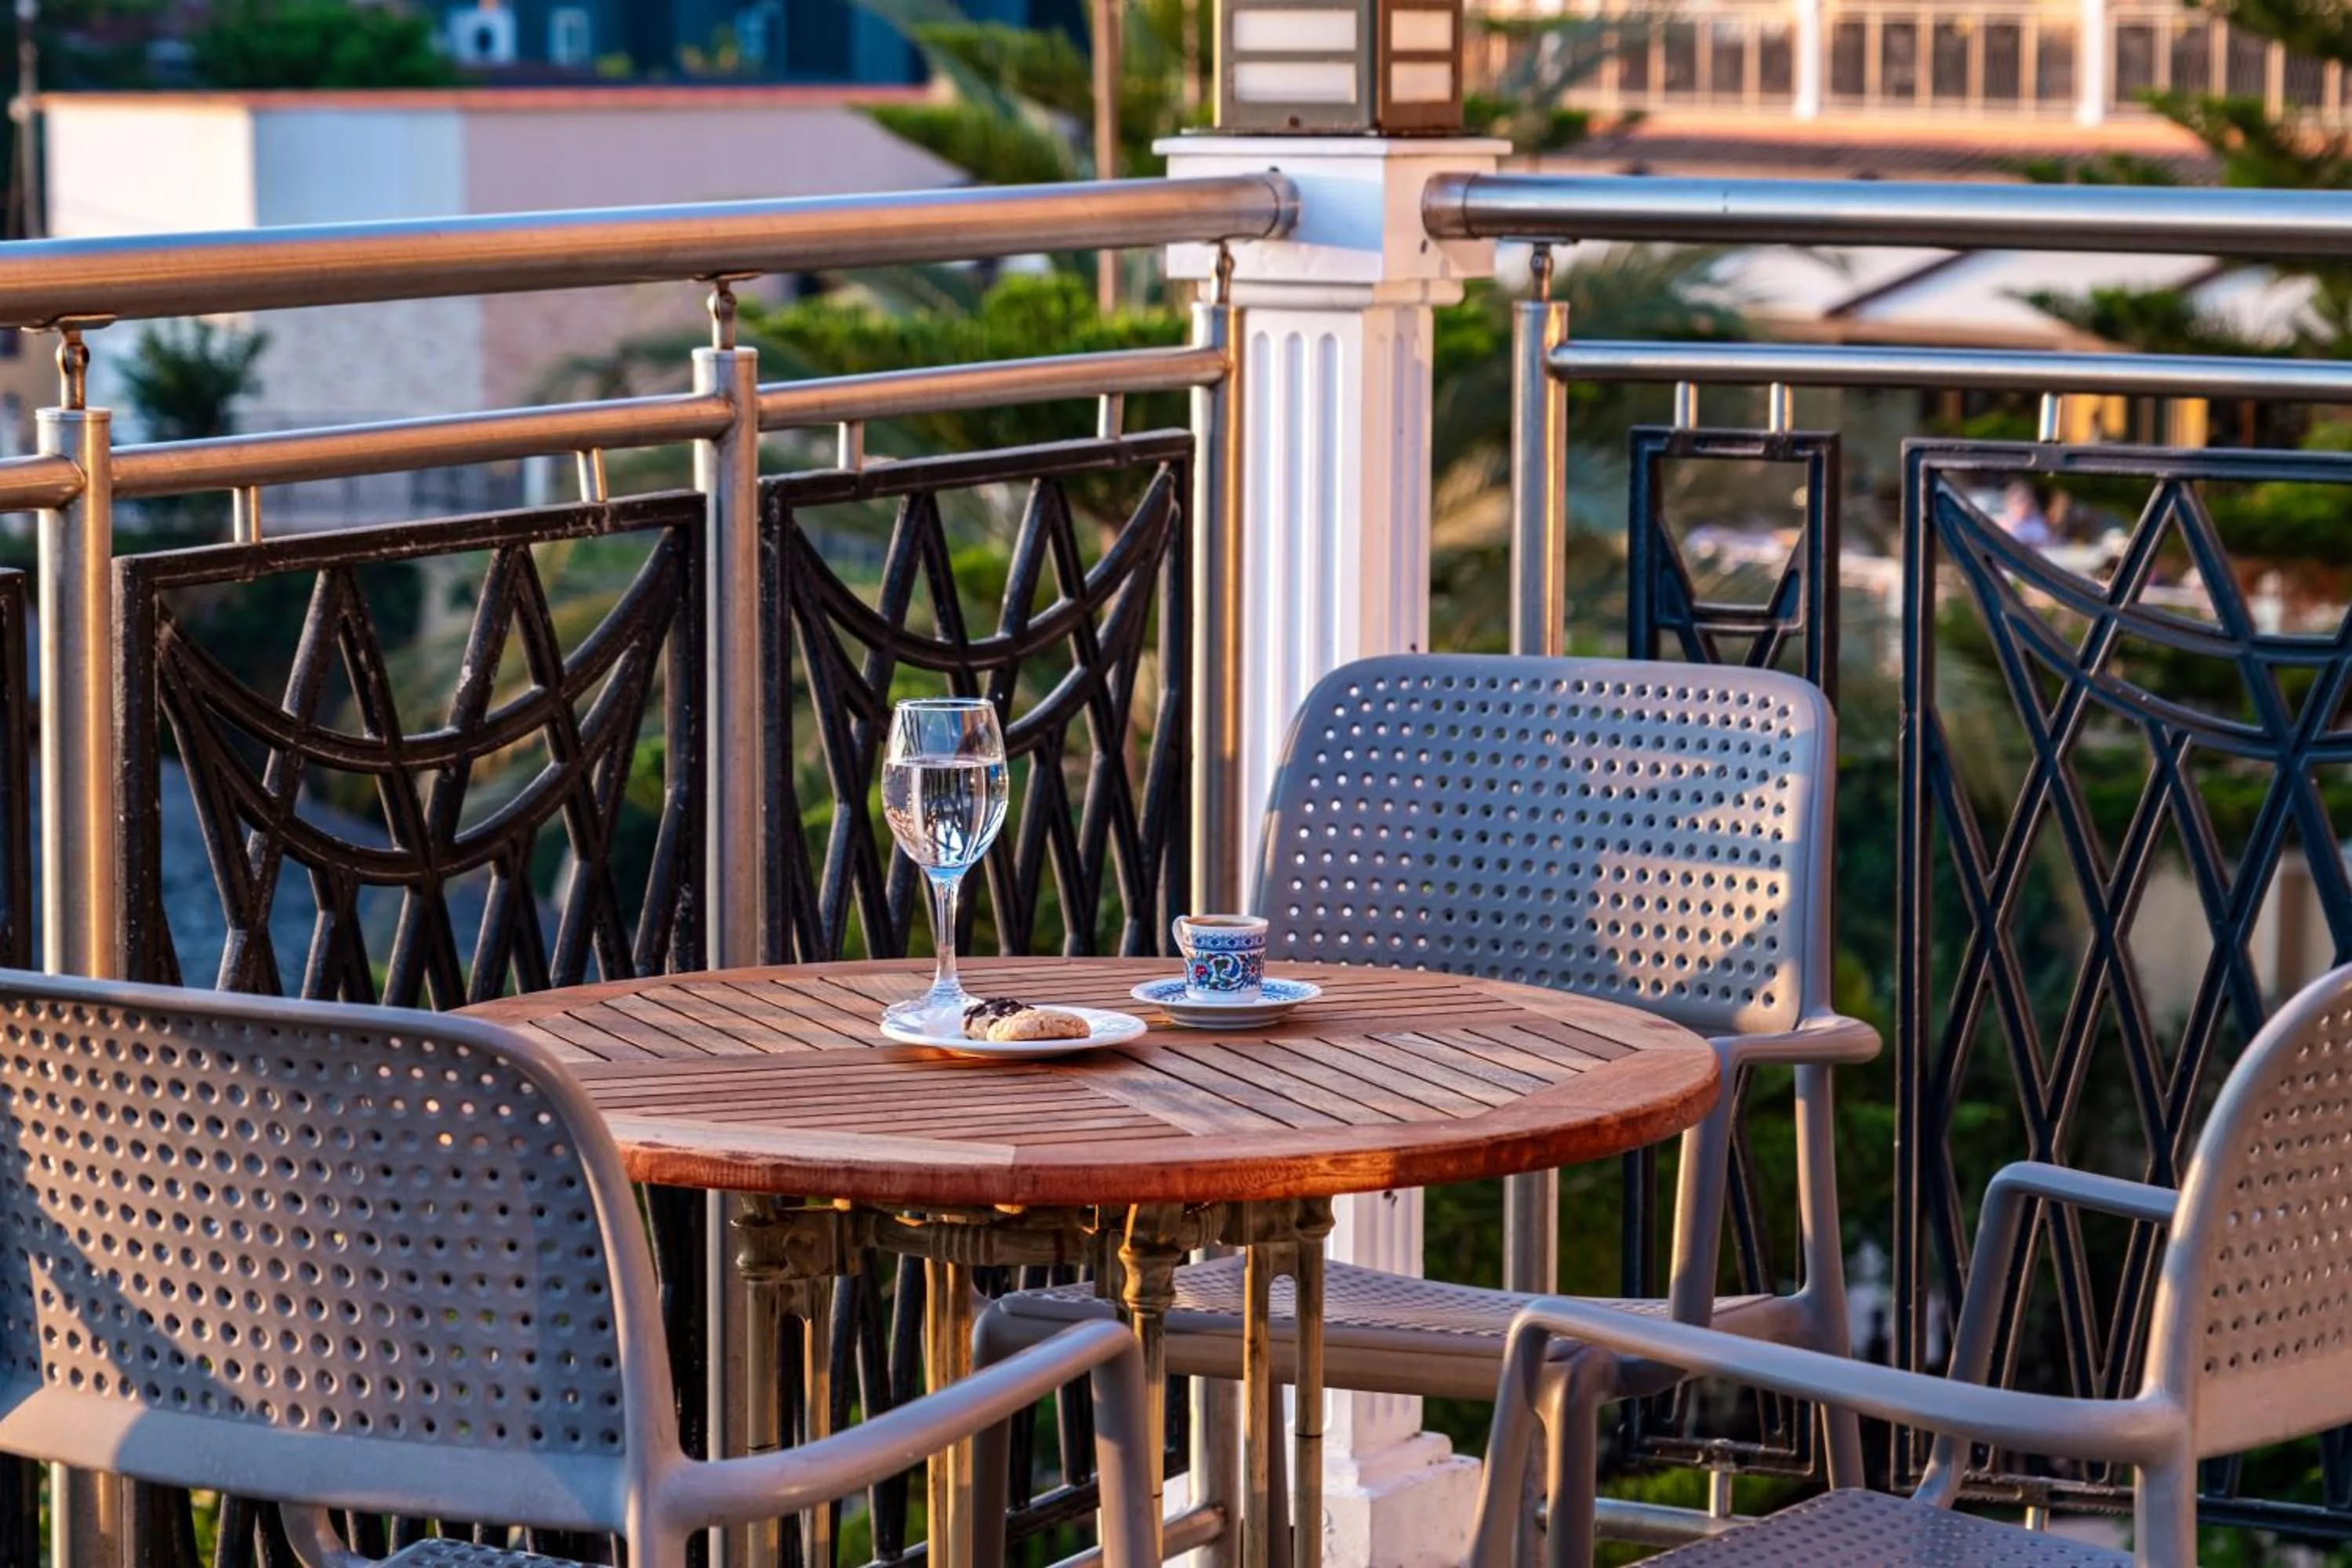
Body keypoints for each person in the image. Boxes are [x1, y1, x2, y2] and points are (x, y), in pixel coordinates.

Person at [1999, 479, 2052, 546]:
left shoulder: (2037, 522)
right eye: (2018, 502)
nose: (2022, 506)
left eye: (2025, 501)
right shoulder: (2002, 522)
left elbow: (2043, 540)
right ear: (2010, 502)